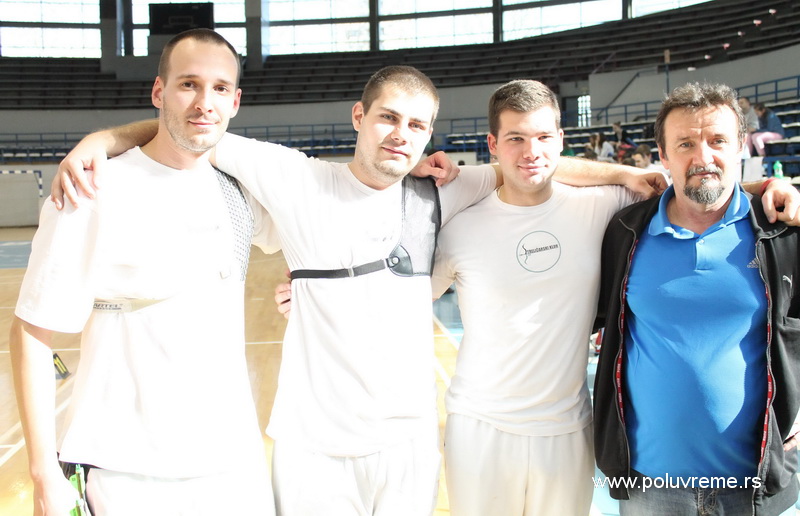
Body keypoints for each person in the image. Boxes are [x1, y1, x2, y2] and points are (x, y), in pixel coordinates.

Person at [10, 29, 277, 516]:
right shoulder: (91, 189)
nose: (205, 102)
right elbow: (32, 330)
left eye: (219, 88)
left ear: (236, 101)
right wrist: (44, 473)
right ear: (159, 91)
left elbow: (325, 228)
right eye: (188, 84)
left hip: (232, 465)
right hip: (124, 470)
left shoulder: (240, 191)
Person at [431, 79, 643, 516]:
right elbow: (398, 303)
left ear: (561, 140)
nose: (531, 151)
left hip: (567, 431)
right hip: (479, 428)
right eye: (516, 139)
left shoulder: (601, 205)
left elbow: (697, 193)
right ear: (493, 144)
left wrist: (772, 189)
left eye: (544, 137)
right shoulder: (459, 227)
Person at [594, 82, 800, 515]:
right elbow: (534, 169)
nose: (703, 157)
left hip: (753, 484)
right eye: (685, 143)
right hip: (649, 487)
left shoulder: (781, 231)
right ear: (663, 155)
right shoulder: (625, 232)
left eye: (717, 141)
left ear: (740, 146)